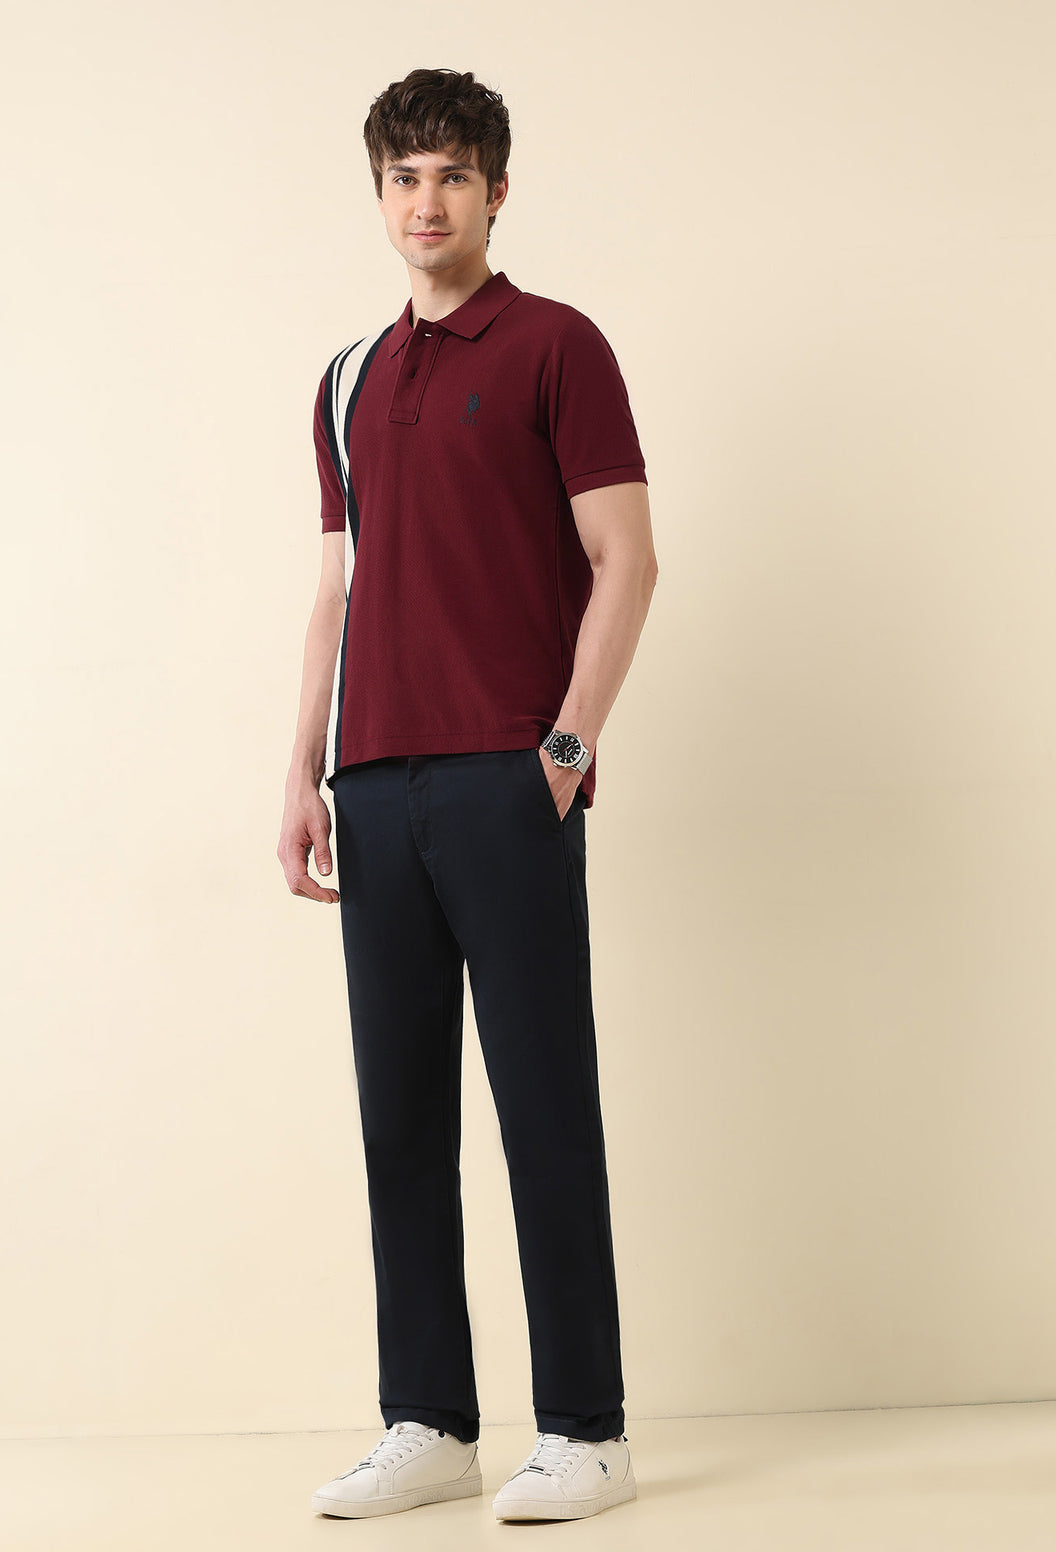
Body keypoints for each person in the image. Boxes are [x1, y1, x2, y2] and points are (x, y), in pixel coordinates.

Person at [278, 66, 658, 1523]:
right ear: (379, 197)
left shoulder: (559, 345)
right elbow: (336, 590)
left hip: (508, 774)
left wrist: (563, 750)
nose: (424, 201)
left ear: (497, 190)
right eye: (402, 177)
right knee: (400, 1118)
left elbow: (627, 558)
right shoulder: (346, 379)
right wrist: (303, 768)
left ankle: (587, 1431)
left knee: (543, 1100)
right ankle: (428, 1421)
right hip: (375, 780)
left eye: (450, 175)